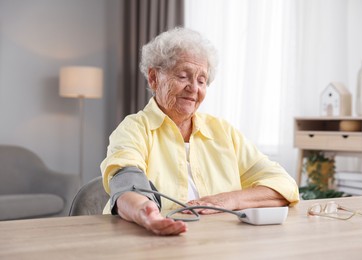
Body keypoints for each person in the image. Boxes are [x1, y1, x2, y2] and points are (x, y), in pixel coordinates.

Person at [100, 27, 299, 236]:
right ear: (153, 78)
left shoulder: (223, 132)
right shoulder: (134, 128)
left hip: (215, 244)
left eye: (202, 80)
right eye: (183, 76)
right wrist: (145, 213)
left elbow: (284, 185)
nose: (194, 88)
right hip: (145, 241)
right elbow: (126, 183)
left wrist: (228, 200)